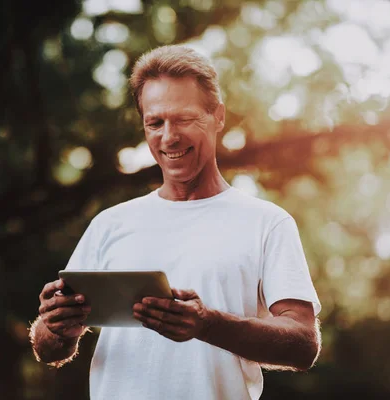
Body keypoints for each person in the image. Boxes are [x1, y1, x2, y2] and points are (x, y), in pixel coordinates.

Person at [29, 44, 322, 400]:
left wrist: (207, 324)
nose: (169, 137)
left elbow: (304, 344)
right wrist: (57, 327)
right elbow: (49, 349)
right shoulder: (110, 224)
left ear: (218, 116)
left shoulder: (267, 223)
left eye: (184, 119)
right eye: (155, 122)